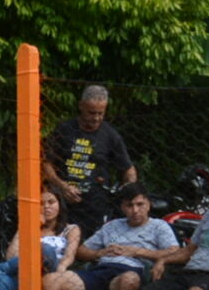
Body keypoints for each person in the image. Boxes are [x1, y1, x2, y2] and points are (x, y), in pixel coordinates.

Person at [71, 183, 177, 290]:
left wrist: (136, 251)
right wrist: (99, 253)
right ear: (122, 207)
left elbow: (173, 251)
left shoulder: (159, 226)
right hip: (102, 273)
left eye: (140, 204)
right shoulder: (112, 226)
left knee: (128, 281)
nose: (135, 210)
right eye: (129, 206)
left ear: (148, 204)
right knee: (61, 281)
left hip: (138, 275)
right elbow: (82, 250)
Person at [42, 84, 138, 236]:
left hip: (95, 204)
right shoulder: (64, 129)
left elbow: (128, 169)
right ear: (81, 106)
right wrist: (61, 186)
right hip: (63, 201)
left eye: (101, 113)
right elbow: (46, 163)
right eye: (91, 113)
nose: (96, 118)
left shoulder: (110, 135)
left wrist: (130, 191)